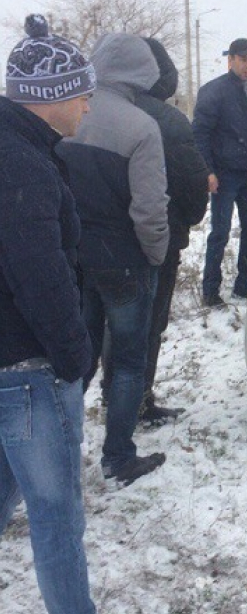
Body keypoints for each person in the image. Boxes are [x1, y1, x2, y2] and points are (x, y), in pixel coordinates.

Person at [0, 14, 98, 614]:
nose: (88, 106)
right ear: (53, 96)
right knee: (57, 515)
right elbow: (39, 275)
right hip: (29, 368)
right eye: (83, 93)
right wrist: (74, 357)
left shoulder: (16, 149)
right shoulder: (24, 166)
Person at [58, 33, 169, 483]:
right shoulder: (141, 127)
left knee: (79, 352)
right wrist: (156, 255)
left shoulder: (70, 115)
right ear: (142, 74)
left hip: (78, 257)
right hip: (126, 262)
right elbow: (149, 209)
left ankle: (57, 445)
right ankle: (119, 457)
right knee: (127, 361)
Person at [122, 37, 209, 423]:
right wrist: (186, 221)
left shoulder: (96, 110)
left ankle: (114, 394)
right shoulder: (169, 120)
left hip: (104, 242)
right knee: (149, 324)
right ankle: (138, 401)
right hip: (158, 239)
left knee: (114, 323)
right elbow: (192, 182)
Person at [193, 38, 247, 308]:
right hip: (223, 175)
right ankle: (210, 290)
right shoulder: (214, 91)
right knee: (219, 232)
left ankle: (244, 285)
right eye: (243, 60)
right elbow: (199, 134)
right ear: (230, 60)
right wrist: (207, 171)